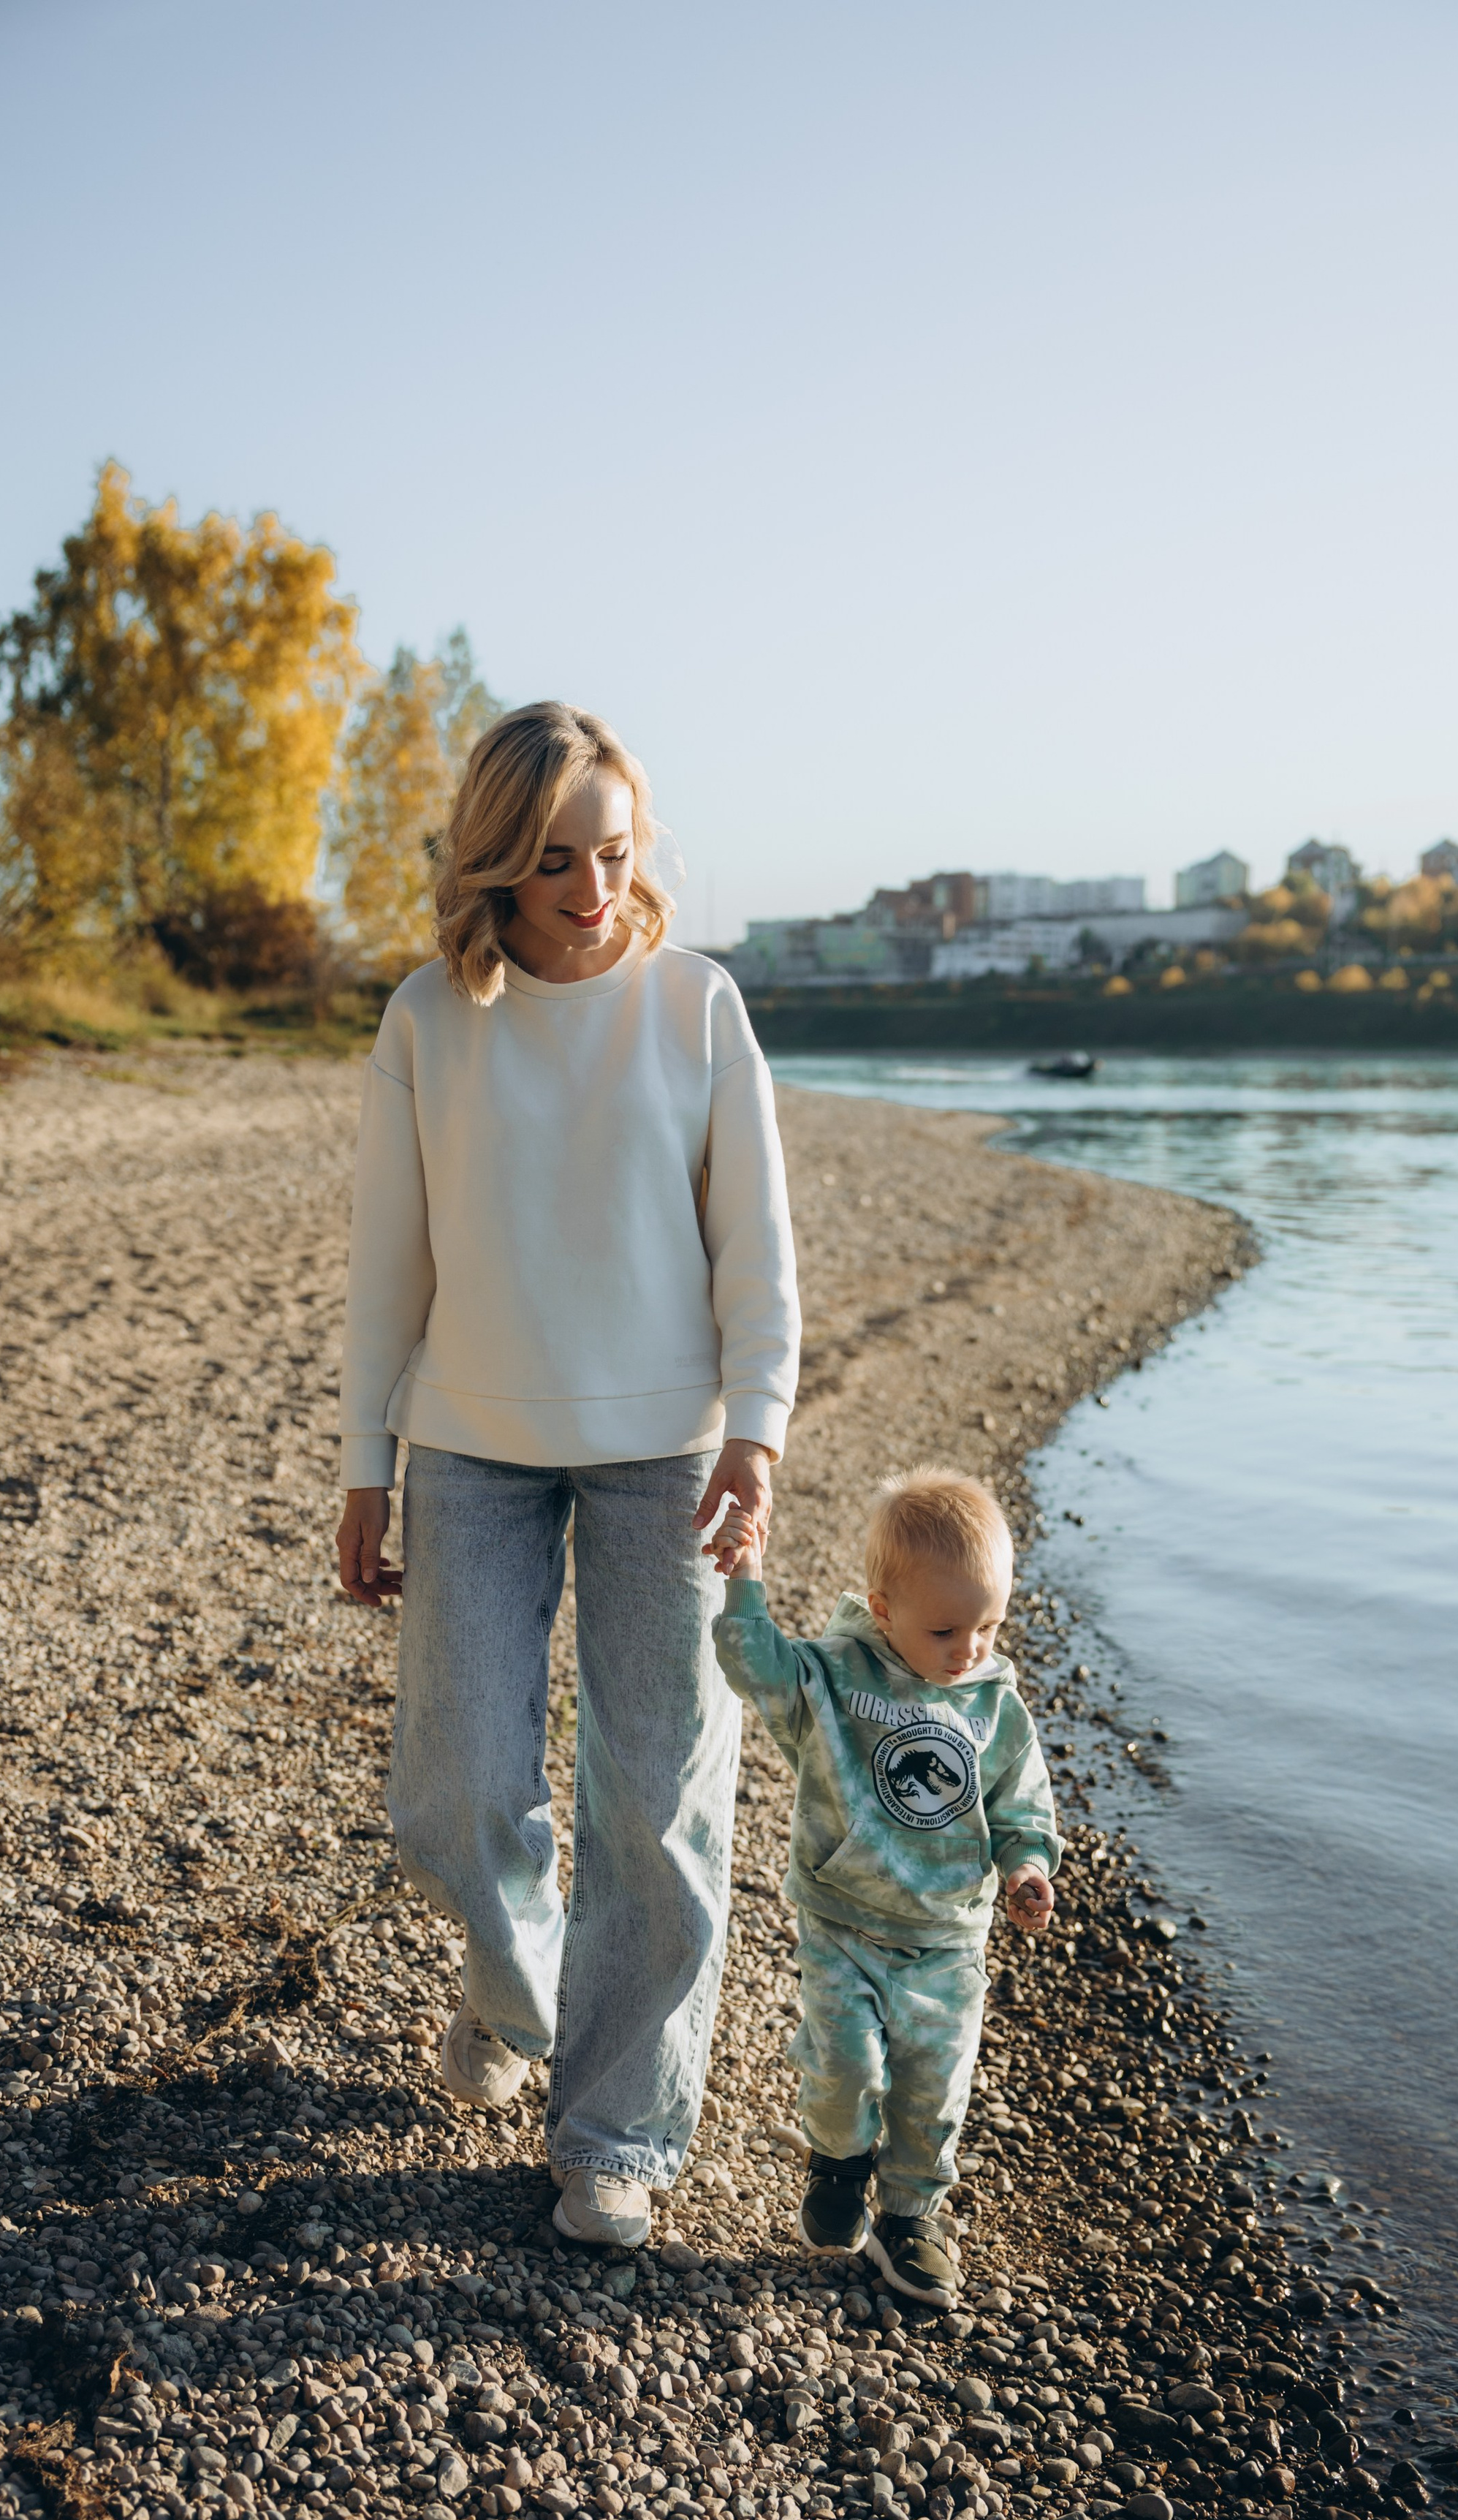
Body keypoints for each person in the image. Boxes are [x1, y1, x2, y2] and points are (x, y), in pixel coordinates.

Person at [334, 701, 799, 2250]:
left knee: (657, 1806)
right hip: (467, 1444)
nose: (594, 891)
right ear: (493, 871)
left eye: (612, 854)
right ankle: (511, 1984)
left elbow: (755, 1242)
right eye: (553, 864)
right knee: (455, 1793)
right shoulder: (424, 1021)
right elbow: (385, 1269)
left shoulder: (696, 1009)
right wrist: (362, 1467)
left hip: (668, 1454)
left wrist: (759, 1423)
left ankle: (615, 2134)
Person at [712, 1467, 1058, 2306]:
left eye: (988, 1626)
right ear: (882, 1610)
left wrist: (1025, 1868)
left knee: (933, 2088)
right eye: (945, 1630)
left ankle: (910, 2217)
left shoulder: (994, 1706)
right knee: (844, 2066)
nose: (970, 1649)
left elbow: (1022, 1804)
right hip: (843, 1922)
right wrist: (747, 1576)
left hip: (947, 1937)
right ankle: (836, 2160)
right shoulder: (835, 1680)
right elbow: (754, 1667)